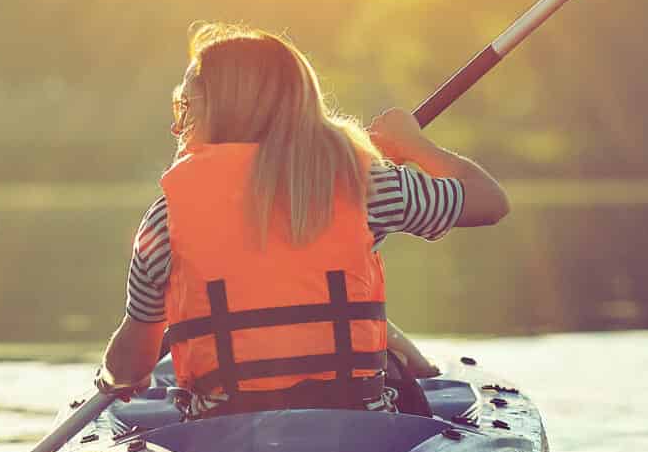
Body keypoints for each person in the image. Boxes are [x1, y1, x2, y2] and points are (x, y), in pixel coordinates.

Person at [99, 23, 510, 416]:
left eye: (185, 106)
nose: (178, 126)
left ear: (222, 111)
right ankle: (416, 365)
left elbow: (128, 368)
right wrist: (415, 145)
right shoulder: (365, 186)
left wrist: (112, 377)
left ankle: (413, 360)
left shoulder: (165, 220)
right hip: (361, 430)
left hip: (222, 433)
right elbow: (490, 201)